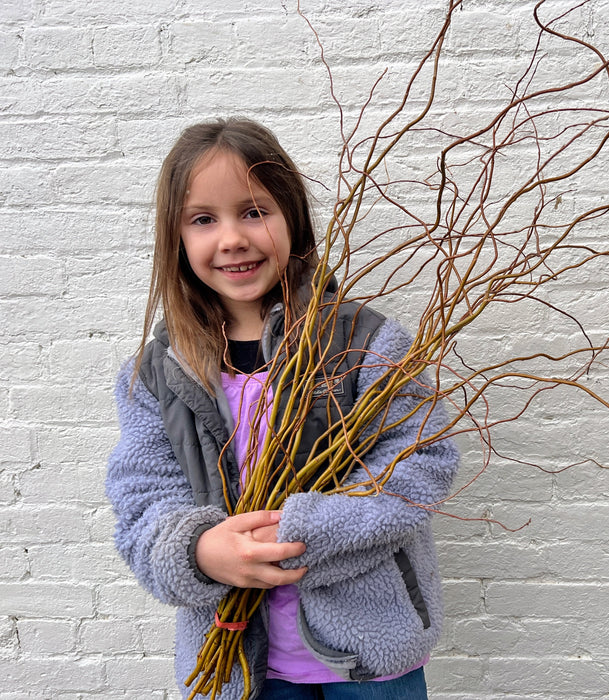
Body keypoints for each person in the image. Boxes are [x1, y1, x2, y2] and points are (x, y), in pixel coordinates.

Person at [106, 118, 459, 700]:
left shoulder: (364, 343)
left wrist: (304, 531)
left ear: (292, 217)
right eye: (203, 219)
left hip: (371, 658)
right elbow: (141, 499)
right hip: (239, 664)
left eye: (253, 211)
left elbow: (423, 459)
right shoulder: (158, 374)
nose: (232, 238)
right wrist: (200, 552)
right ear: (177, 238)